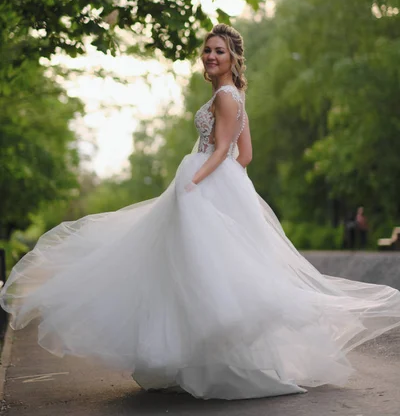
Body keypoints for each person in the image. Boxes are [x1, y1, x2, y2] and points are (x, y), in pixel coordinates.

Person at [1, 23, 400, 401]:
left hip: (205, 183)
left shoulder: (227, 97)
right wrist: (226, 182)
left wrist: (197, 181)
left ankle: (209, 366)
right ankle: (211, 363)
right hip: (220, 184)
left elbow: (226, 149)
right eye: (207, 50)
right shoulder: (232, 96)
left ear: (232, 59)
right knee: (208, 274)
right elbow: (246, 156)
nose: (210, 55)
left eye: (218, 51)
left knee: (198, 273)